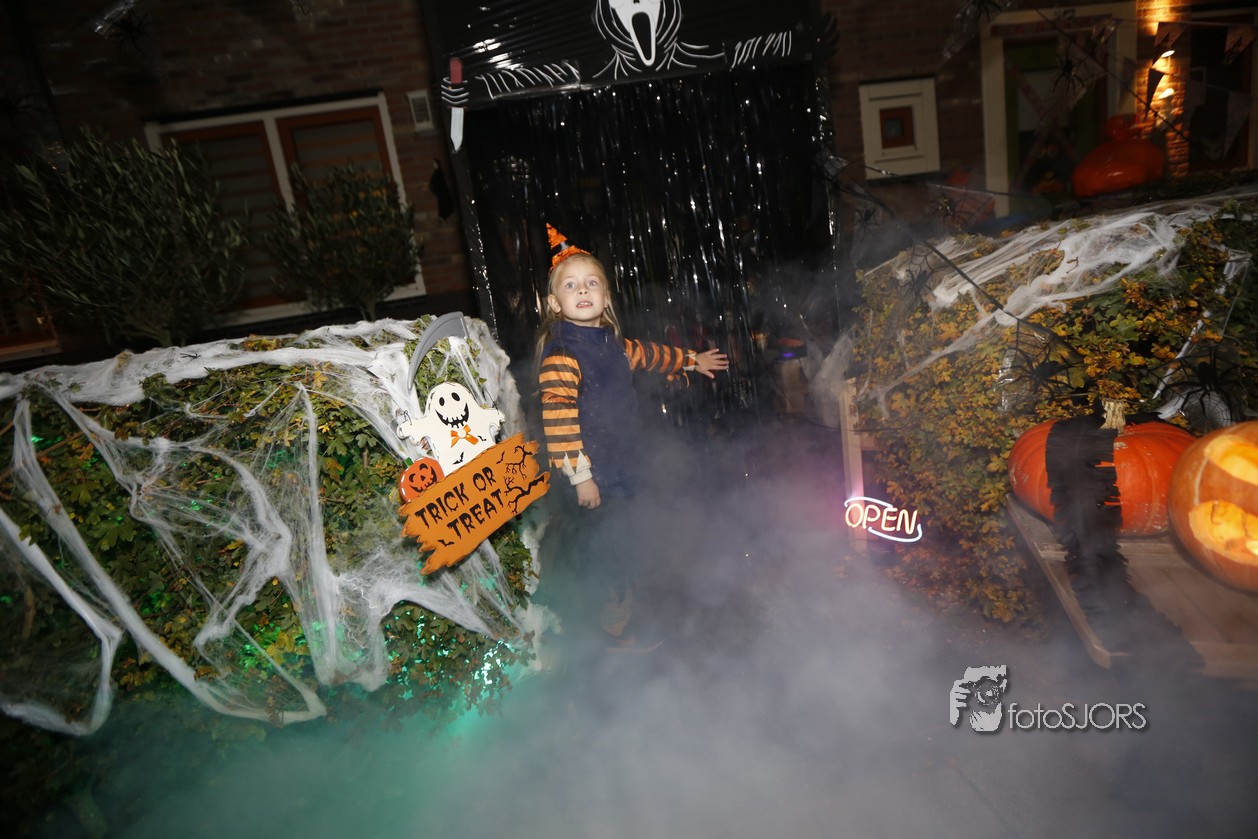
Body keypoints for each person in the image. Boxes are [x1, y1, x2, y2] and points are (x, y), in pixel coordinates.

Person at [536, 224, 728, 652]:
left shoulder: (613, 345)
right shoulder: (562, 355)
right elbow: (558, 422)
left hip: (624, 468)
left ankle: (621, 609)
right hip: (594, 479)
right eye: (571, 285)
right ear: (554, 303)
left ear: (606, 297)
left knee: (628, 544)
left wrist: (691, 360)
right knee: (611, 555)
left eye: (591, 283)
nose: (582, 290)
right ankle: (612, 633)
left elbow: (652, 355)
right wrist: (581, 477)